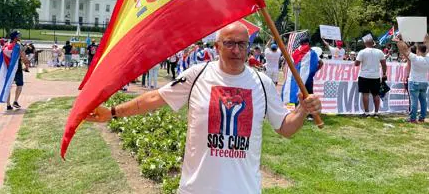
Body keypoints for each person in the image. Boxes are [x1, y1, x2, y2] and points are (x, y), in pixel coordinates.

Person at [85, 22, 321, 193]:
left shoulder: (262, 83)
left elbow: (285, 129)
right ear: (217, 46)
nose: (236, 50)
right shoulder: (197, 76)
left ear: (248, 47)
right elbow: (154, 99)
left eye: (241, 44)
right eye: (229, 43)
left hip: (244, 189)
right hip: (196, 188)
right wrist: (113, 112)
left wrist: (302, 110)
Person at [394, 35, 429, 123]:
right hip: (424, 82)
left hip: (414, 82)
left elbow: (405, 50)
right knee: (423, 101)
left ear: (418, 51)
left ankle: (413, 118)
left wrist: (399, 41)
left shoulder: (415, 58)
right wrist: (426, 38)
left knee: (414, 102)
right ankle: (422, 118)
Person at [354, 37, 387, 117]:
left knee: (365, 94)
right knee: (376, 94)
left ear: (365, 44)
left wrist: (357, 60)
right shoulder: (379, 52)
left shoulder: (362, 52)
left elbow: (356, 64)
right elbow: (384, 64)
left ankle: (366, 112)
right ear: (373, 43)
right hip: (375, 76)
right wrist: (384, 74)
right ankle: (376, 113)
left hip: (364, 75)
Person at [5, 30, 30, 111]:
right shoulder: (18, 46)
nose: (20, 37)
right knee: (19, 84)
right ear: (15, 37)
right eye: (18, 36)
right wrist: (27, 64)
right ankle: (15, 101)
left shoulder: (5, 45)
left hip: (7, 67)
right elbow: (23, 57)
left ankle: (8, 105)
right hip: (17, 67)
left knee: (8, 86)